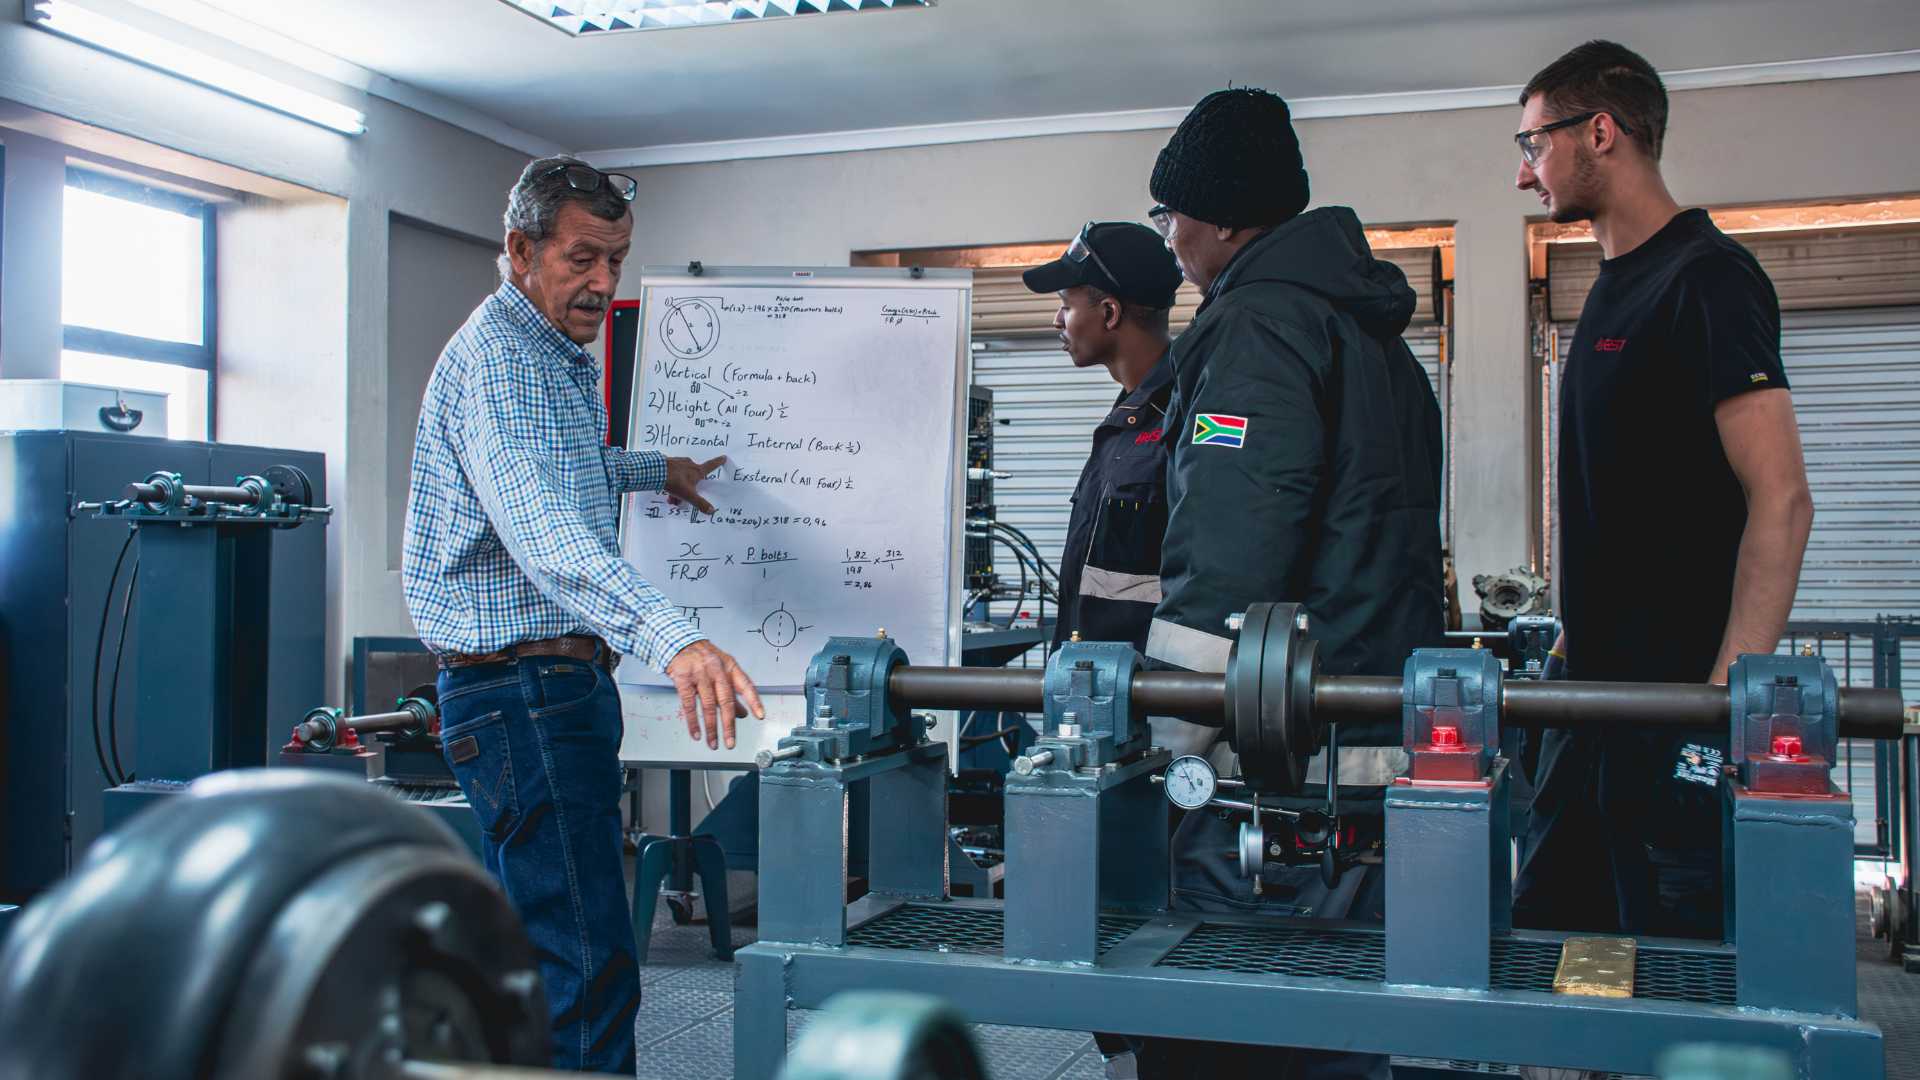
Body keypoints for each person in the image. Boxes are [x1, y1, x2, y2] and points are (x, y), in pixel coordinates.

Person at [402, 156, 766, 1073]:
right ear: (521, 251)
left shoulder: (545, 356)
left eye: (617, 260)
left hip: (539, 691)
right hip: (525, 695)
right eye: (582, 259)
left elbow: (563, 468)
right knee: (585, 967)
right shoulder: (501, 363)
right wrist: (675, 638)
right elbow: (542, 528)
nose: (604, 283)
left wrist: (654, 469)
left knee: (555, 956)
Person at [1122, 86, 1446, 1080]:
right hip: (1366, 747)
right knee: (1342, 1028)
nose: (1169, 238)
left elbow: (1231, 544)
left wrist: (1166, 743)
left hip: (1270, 772)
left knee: (1219, 1034)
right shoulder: (1373, 337)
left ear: (1223, 220)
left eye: (1171, 214)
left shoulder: (1256, 329)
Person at [1510, 41, 1813, 941]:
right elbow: (1622, 501)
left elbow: (1782, 500)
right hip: (1589, 710)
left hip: (1673, 717)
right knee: (1548, 956)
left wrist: (1718, 716)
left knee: (1671, 978)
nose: (1525, 173)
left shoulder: (1708, 278)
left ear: (1600, 133)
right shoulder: (1611, 290)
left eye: (1534, 144)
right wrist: (1569, 644)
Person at [1021, 221, 1184, 653]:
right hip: (1093, 679)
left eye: (1065, 305)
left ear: (1109, 313)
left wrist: (1178, 693)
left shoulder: (1184, 416)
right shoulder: (1126, 420)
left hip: (1146, 685)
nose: (1057, 320)